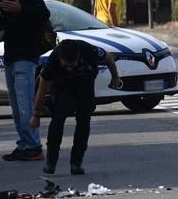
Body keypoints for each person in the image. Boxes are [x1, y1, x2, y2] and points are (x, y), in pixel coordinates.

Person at [0, 0, 50, 162]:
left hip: (25, 57)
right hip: (10, 58)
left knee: (24, 105)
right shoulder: (3, 0)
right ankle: (24, 144)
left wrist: (21, 9)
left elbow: (43, 13)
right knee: (15, 106)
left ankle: (34, 146)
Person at [30, 39, 121, 175]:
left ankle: (76, 163)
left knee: (84, 121)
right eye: (66, 65)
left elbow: (108, 57)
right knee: (57, 120)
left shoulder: (87, 49)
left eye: (72, 65)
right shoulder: (54, 60)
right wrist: (36, 115)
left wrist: (115, 77)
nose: (69, 68)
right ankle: (51, 161)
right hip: (62, 87)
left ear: (78, 56)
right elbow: (42, 89)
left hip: (84, 85)